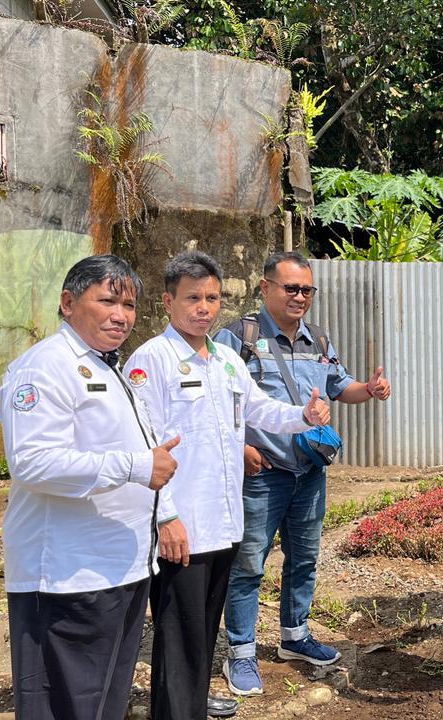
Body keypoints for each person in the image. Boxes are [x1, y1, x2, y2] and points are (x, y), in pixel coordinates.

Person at [125, 252, 331, 720]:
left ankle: (191, 702)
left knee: (201, 629)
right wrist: (166, 517)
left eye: (212, 298)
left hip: (223, 523)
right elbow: (144, 446)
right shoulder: (151, 361)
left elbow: (259, 410)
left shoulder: (224, 360)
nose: (204, 307)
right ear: (167, 302)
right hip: (182, 526)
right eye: (192, 297)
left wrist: (303, 416)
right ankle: (177, 711)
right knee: (178, 634)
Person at [0, 254, 180, 720]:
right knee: (65, 706)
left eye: (130, 305)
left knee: (102, 703)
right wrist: (138, 466)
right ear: (68, 302)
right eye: (107, 301)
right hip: (67, 576)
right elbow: (33, 463)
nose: (121, 316)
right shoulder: (44, 367)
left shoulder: (108, 368)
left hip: (121, 568)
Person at [216, 251, 392, 696]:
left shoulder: (318, 338)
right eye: (291, 288)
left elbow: (340, 386)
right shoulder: (237, 338)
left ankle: (295, 637)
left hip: (308, 473)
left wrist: (367, 390)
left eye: (307, 290)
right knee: (248, 565)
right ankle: (240, 652)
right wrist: (239, 448)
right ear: (265, 287)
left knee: (305, 558)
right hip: (261, 473)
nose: (300, 297)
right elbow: (214, 405)